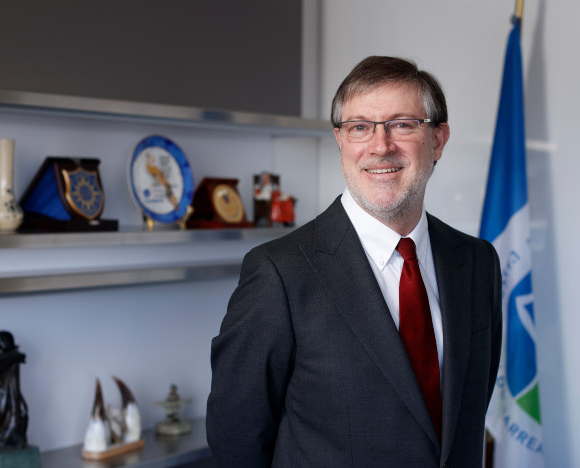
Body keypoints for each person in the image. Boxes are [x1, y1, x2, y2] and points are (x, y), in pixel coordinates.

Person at [207, 55, 502, 467]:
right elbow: (237, 439)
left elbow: (467, 412)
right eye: (360, 127)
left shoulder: (477, 263)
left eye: (402, 124)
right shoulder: (279, 273)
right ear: (341, 142)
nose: (380, 147)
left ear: (437, 140)